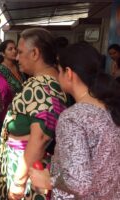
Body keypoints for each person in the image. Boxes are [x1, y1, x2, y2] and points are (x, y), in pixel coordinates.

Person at [29, 42, 120, 199]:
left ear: (69, 73)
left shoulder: (73, 118)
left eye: (59, 71)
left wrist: (48, 179)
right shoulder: (111, 107)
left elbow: (79, 182)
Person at [0, 28, 68, 200]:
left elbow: (41, 137)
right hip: (25, 166)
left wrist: (19, 182)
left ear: (35, 53)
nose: (16, 57)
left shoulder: (44, 86)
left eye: (20, 52)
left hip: (28, 173)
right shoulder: (43, 82)